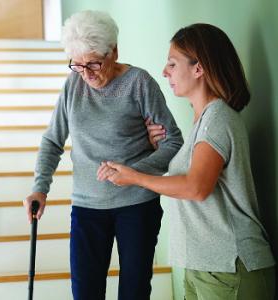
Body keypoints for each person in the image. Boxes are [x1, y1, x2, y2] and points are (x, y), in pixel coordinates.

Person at [97, 23, 276, 300]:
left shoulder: (217, 118)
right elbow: (193, 174)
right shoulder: (203, 120)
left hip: (230, 266)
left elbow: (196, 187)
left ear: (198, 68)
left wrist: (133, 177)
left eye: (172, 63)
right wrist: (155, 147)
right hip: (206, 266)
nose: (164, 72)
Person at [23, 10, 183, 300]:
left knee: (133, 292)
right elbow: (52, 140)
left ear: (115, 51)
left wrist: (135, 173)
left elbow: (173, 140)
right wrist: (39, 187)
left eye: (94, 63)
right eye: (78, 65)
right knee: (85, 293)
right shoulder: (74, 85)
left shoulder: (139, 83)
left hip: (137, 206)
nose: (87, 73)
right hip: (87, 207)